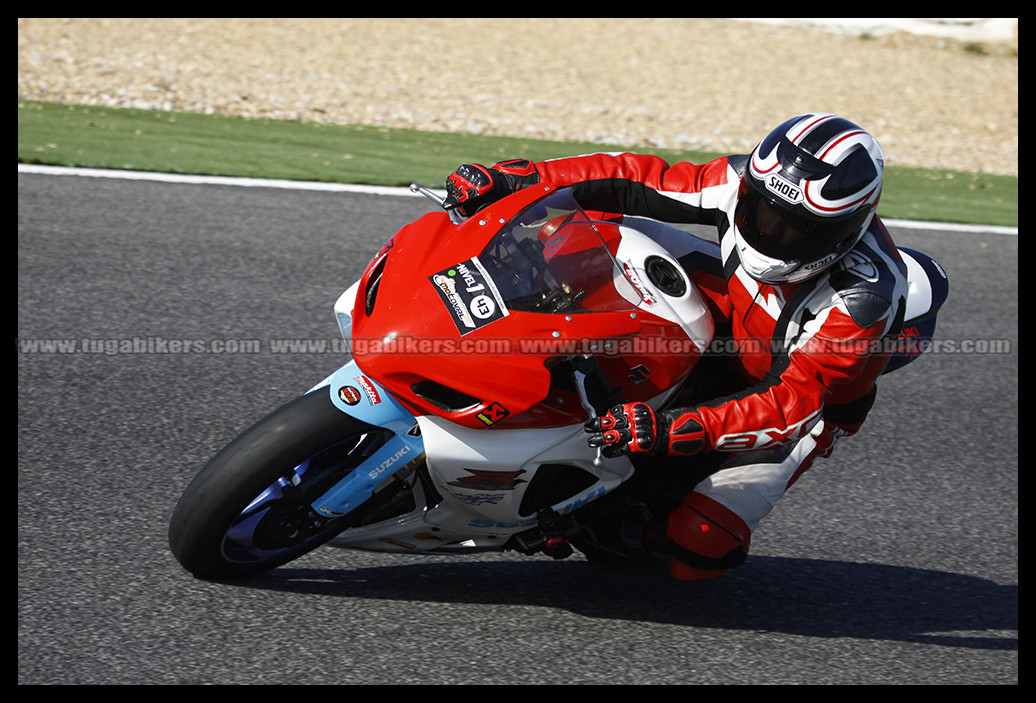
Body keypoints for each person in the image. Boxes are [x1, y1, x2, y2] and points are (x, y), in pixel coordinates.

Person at [442, 113, 910, 581]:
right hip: (734, 305)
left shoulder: (861, 300)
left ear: (846, 230)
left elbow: (791, 403)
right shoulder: (742, 179)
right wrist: (517, 180)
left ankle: (627, 518)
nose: (767, 234)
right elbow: (633, 179)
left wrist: (671, 428)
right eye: (759, 212)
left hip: (801, 403)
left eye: (793, 230)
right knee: (585, 228)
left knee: (700, 547)